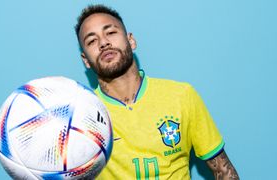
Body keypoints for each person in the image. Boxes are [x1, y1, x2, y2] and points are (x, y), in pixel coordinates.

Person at [75, 4, 239, 180]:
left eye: (111, 32)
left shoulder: (181, 95)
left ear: (131, 41)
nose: (104, 43)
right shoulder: (82, 115)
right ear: (85, 60)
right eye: (92, 41)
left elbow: (224, 171)